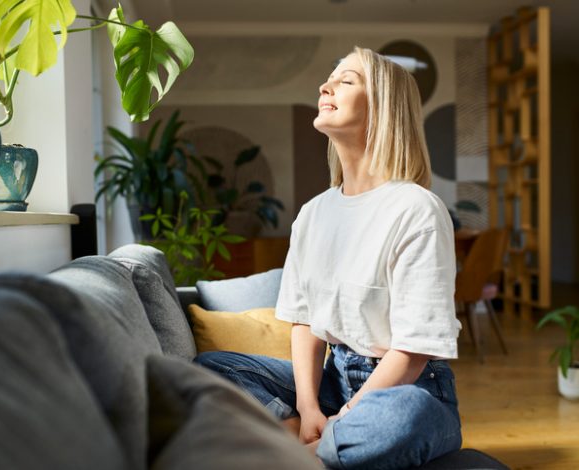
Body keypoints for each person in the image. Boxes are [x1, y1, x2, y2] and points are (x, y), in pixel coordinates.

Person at [195, 46, 462, 470]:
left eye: (346, 80)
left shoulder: (417, 209)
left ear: (382, 108)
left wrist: (351, 415)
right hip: (331, 380)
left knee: (405, 416)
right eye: (329, 78)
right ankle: (309, 445)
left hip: (407, 388)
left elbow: (413, 351)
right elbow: (305, 322)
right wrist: (308, 409)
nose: (325, 87)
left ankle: (293, 455)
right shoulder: (314, 213)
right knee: (210, 367)